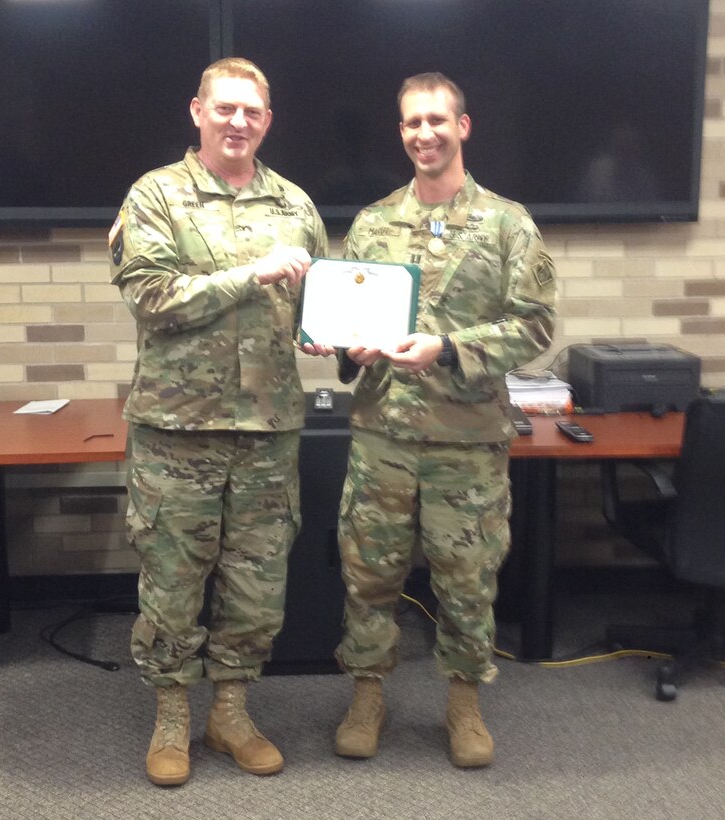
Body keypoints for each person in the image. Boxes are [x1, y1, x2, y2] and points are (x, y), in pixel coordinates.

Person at [307, 72, 556, 768]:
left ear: (463, 127)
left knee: (466, 580)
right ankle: (367, 696)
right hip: (383, 437)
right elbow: (349, 331)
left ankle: (464, 704)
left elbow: (535, 327)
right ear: (401, 132)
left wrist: (448, 348)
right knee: (369, 576)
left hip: (467, 443)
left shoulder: (508, 224)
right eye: (412, 123)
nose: (425, 134)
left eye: (437, 121)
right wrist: (347, 352)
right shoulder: (373, 222)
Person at [109, 57, 328, 787]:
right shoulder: (156, 197)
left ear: (268, 120)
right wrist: (251, 275)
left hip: (267, 432)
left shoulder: (295, 205)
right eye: (225, 108)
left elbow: (311, 306)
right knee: (172, 579)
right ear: (197, 111)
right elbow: (151, 297)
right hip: (179, 432)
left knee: (256, 583)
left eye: (253, 112)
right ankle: (172, 715)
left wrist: (324, 332)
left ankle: (230, 711)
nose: (239, 122)